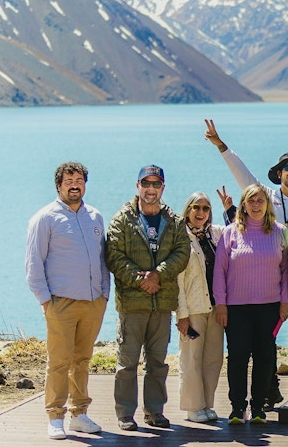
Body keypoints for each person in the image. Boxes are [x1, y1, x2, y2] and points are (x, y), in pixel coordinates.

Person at [204, 117, 288, 409]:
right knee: (265, 340)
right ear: (279, 173)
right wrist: (221, 146)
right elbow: (242, 175)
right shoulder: (265, 196)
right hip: (268, 280)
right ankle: (270, 389)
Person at [26, 162, 109, 440]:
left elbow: (103, 259)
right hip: (60, 303)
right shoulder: (45, 218)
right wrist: (45, 300)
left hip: (93, 302)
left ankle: (79, 414)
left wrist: (104, 294)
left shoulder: (95, 216)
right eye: (69, 180)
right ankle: (55, 416)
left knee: (82, 360)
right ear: (59, 185)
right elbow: (34, 263)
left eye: (79, 180)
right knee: (59, 361)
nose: (75, 184)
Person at [105, 165, 190, 432]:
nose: (150, 189)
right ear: (137, 186)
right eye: (146, 183)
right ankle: (125, 414)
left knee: (158, 364)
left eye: (156, 184)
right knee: (127, 364)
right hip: (133, 304)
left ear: (163, 188)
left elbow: (182, 252)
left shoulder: (174, 221)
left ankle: (155, 412)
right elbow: (114, 256)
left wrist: (158, 275)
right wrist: (141, 279)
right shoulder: (122, 219)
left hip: (162, 304)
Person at [214, 183, 288, 424]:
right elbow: (219, 272)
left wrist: (285, 301)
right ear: (243, 205)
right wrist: (221, 304)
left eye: (260, 200)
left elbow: (287, 270)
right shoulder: (230, 232)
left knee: (265, 357)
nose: (256, 205)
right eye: (251, 200)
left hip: (269, 307)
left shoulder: (280, 232)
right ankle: (238, 408)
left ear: (268, 205)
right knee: (237, 357)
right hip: (236, 308)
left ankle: (258, 408)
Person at [176, 189, 231, 423]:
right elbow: (176, 281)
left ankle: (207, 404)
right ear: (188, 210)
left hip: (215, 308)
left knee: (213, 359)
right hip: (193, 309)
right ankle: (193, 407)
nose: (201, 212)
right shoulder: (179, 238)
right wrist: (181, 314)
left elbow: (240, 228)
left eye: (205, 208)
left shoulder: (215, 234)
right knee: (191, 359)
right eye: (196, 207)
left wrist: (229, 209)